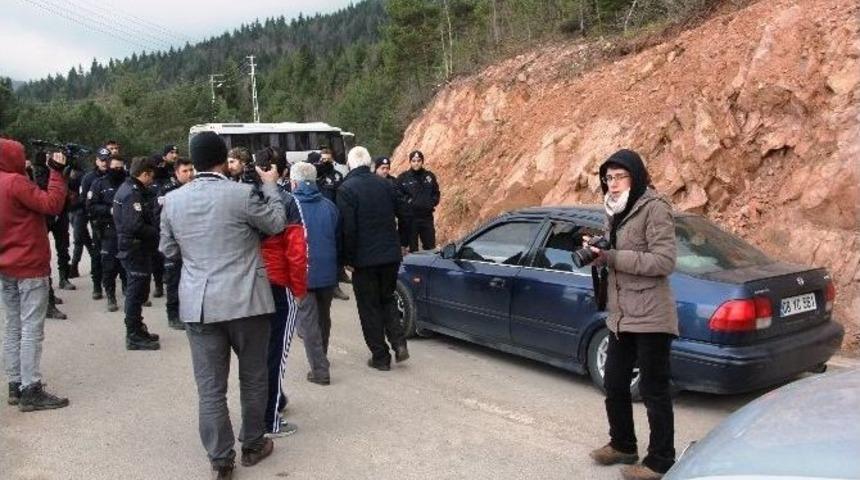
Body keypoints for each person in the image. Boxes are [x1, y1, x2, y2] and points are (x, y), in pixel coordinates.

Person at [160, 131, 285, 480]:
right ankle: (253, 444)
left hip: (199, 304)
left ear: (194, 162)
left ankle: (220, 458)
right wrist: (272, 186)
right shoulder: (242, 194)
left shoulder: (172, 201)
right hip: (247, 300)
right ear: (221, 159)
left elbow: (168, 251)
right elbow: (275, 223)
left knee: (211, 387)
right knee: (253, 377)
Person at [586, 149, 678, 480]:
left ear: (636, 176)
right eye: (608, 178)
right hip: (621, 314)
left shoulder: (655, 208)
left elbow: (664, 262)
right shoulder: (615, 210)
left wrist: (613, 257)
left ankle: (660, 460)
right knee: (614, 383)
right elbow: (616, 255)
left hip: (652, 314)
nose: (613, 184)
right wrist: (600, 256)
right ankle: (623, 444)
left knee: (654, 389)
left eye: (620, 176)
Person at [0, 139, 70, 411]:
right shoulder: (15, 183)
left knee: (13, 326)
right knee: (31, 329)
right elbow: (52, 204)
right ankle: (31, 388)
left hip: (6, 267)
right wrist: (55, 172)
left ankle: (15, 384)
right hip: (29, 265)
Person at [336, 146, 409, 371]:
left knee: (369, 308)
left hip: (364, 259)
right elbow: (405, 213)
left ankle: (380, 356)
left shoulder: (346, 189)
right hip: (390, 255)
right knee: (387, 298)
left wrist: (347, 258)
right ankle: (398, 342)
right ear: (369, 163)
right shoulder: (386, 184)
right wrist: (403, 242)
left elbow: (348, 228)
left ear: (349, 164)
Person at [255, 146, 307, 438]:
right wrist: (299, 289)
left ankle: (272, 402)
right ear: (283, 172)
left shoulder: (246, 198)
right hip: (278, 284)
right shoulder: (288, 202)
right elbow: (297, 250)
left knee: (259, 353)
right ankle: (268, 420)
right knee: (276, 354)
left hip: (252, 285)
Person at [291, 162, 339, 385]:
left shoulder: (291, 206)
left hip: (303, 272)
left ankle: (320, 370)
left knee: (308, 322)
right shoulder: (329, 206)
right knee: (323, 317)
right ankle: (323, 357)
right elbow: (338, 236)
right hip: (328, 271)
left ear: (294, 182)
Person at [113, 157, 161, 351]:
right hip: (135, 249)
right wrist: (158, 233)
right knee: (135, 293)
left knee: (139, 291)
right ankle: (133, 334)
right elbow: (135, 225)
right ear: (145, 173)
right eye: (152, 175)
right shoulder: (132, 193)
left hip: (136, 248)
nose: (153, 179)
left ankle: (138, 328)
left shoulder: (132, 189)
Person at [157, 157, 194, 330]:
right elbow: (160, 218)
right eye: (185, 171)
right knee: (173, 281)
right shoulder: (167, 191)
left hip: (192, 243)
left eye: (191, 170)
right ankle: (173, 315)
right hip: (174, 243)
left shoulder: (196, 188)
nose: (189, 174)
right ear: (177, 173)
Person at [87, 156, 128, 312]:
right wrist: (108, 210)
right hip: (108, 228)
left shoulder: (128, 183)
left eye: (121, 167)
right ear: (109, 167)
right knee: (109, 265)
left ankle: (128, 290)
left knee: (127, 263)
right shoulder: (99, 184)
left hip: (126, 229)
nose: (118, 171)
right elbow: (90, 206)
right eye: (115, 167)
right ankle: (110, 295)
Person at [78, 147, 110, 300]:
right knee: (97, 255)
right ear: (97, 161)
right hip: (97, 221)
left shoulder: (115, 176)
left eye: (107, 160)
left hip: (114, 222)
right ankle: (97, 285)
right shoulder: (89, 178)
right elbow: (84, 201)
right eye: (102, 160)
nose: (105, 163)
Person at [396, 150, 440, 253]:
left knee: (430, 248)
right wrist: (409, 203)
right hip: (411, 219)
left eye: (419, 160)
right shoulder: (403, 178)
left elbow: (436, 193)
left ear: (422, 161)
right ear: (410, 162)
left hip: (427, 217)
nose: (416, 163)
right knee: (413, 250)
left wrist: (431, 203)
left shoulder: (429, 176)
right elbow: (398, 196)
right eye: (414, 161)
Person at [374, 156, 410, 254]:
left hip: (389, 225)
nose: (385, 171)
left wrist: (403, 241)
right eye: (382, 168)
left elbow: (402, 211)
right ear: (376, 168)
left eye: (387, 168)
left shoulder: (394, 182)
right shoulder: (370, 183)